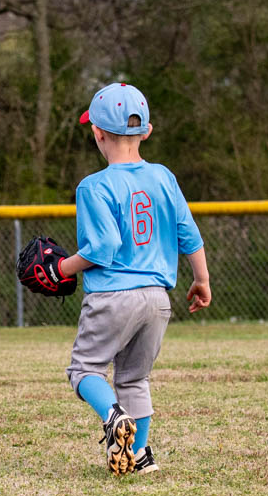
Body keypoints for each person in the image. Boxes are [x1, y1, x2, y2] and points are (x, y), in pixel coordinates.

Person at [55, 82, 211, 475]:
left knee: (85, 370)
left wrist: (61, 269)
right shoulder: (163, 177)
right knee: (135, 378)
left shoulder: (93, 186)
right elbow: (188, 233)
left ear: (97, 133)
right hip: (157, 298)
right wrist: (201, 279)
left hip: (113, 296)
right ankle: (140, 456)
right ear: (147, 131)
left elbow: (101, 248)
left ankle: (113, 417)